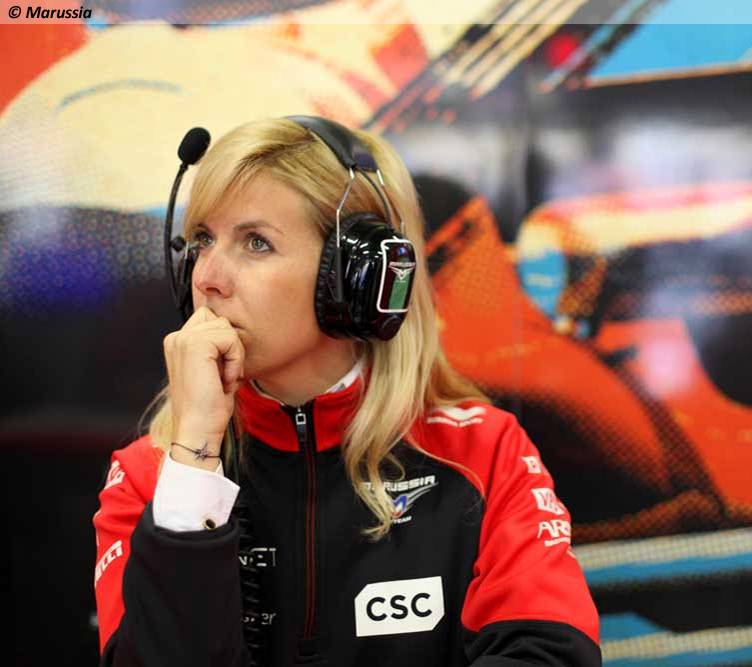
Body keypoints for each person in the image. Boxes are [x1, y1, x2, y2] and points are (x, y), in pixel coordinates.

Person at [92, 116, 602, 666]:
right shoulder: (151, 477)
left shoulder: (484, 452)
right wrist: (194, 468)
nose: (207, 277)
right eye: (202, 239)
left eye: (256, 243)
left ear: (357, 277)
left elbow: (551, 655)